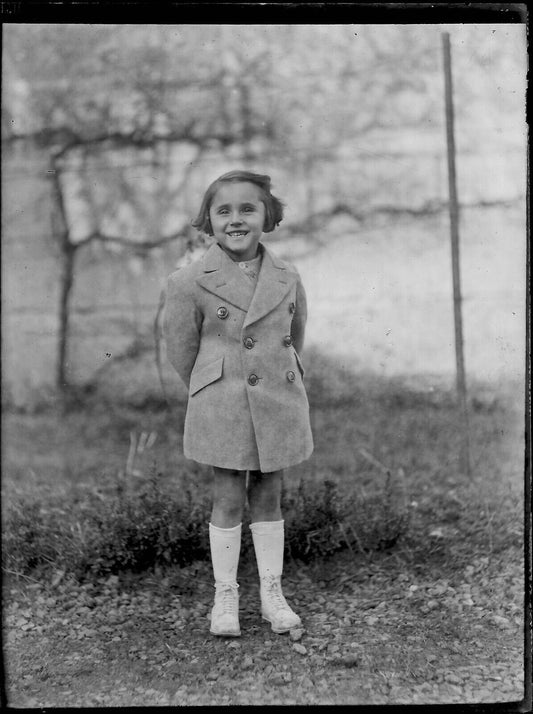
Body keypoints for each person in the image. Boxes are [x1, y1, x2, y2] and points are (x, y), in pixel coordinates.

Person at [163, 170, 313, 637]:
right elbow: (181, 350)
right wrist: (217, 386)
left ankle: (272, 593)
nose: (236, 220)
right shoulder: (189, 280)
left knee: (269, 494)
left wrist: (271, 381)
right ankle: (225, 595)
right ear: (208, 220)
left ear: (268, 215)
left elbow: (294, 339)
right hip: (222, 402)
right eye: (223, 210)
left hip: (275, 400)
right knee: (227, 496)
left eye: (247, 209)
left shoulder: (287, 276)